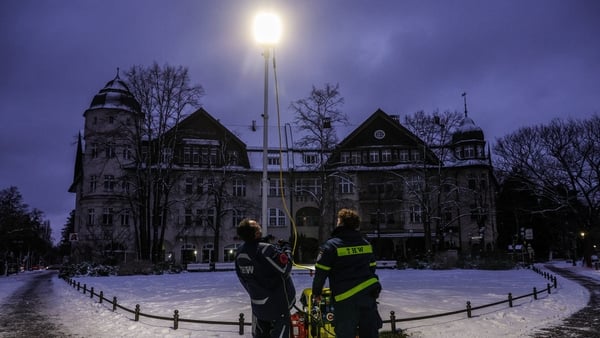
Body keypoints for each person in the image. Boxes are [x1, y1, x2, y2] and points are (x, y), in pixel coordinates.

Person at [312, 208, 382, 338]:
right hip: (368, 294)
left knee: (345, 333)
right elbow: (372, 267)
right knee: (370, 333)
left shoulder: (331, 246)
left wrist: (316, 292)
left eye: (338, 220)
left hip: (345, 298)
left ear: (341, 223)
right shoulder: (365, 243)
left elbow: (321, 272)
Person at [235, 219, 296, 338]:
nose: (260, 226)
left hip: (259, 305)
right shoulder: (265, 249)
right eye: (257, 226)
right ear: (256, 233)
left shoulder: (240, 251)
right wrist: (287, 249)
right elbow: (286, 268)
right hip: (278, 307)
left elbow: (242, 277)